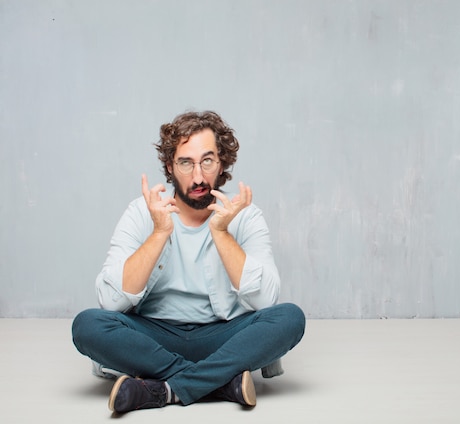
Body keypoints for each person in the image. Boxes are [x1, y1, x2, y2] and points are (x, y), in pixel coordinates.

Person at [72, 110, 306, 413]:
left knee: (289, 318)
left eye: (207, 161)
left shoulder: (244, 215)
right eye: (185, 162)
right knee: (87, 325)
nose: (198, 176)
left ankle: (164, 390)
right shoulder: (141, 213)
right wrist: (159, 233)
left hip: (222, 336)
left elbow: (266, 300)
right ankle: (220, 383)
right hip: (153, 337)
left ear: (221, 163)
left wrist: (221, 233)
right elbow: (110, 301)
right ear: (170, 166)